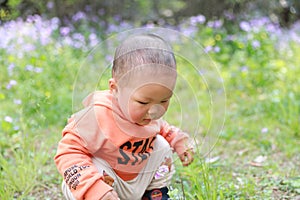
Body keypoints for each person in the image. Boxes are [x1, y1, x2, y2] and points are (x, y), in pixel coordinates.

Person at [54, 33, 194, 200]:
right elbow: (68, 152)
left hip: (136, 181)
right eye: (143, 102)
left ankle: (153, 194)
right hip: (104, 183)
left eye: (164, 100)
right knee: (91, 171)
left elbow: (162, 127)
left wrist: (179, 141)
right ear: (115, 88)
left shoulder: (149, 115)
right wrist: (95, 190)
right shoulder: (97, 116)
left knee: (162, 146)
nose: (154, 111)